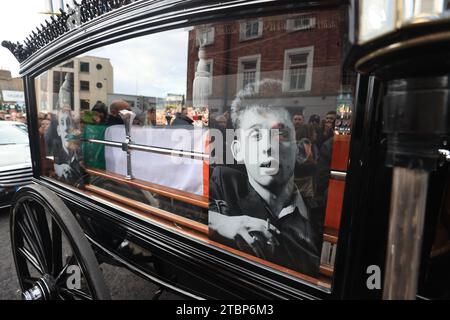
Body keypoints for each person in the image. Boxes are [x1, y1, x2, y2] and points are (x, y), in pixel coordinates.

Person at [209, 79, 325, 277]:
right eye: (256, 135)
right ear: (238, 151)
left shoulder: (320, 212)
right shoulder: (224, 183)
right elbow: (181, 211)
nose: (268, 146)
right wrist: (219, 222)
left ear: (300, 149)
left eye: (280, 133)